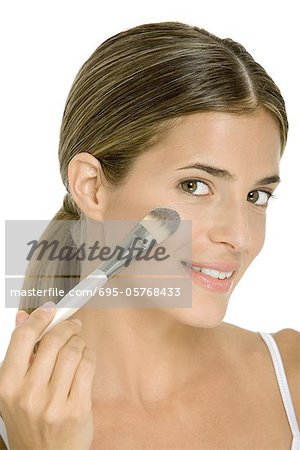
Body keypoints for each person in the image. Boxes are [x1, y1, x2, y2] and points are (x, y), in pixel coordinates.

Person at [0, 21, 299, 449]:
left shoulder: (291, 378)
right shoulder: (18, 420)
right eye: (195, 185)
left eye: (257, 195)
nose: (239, 236)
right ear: (92, 186)